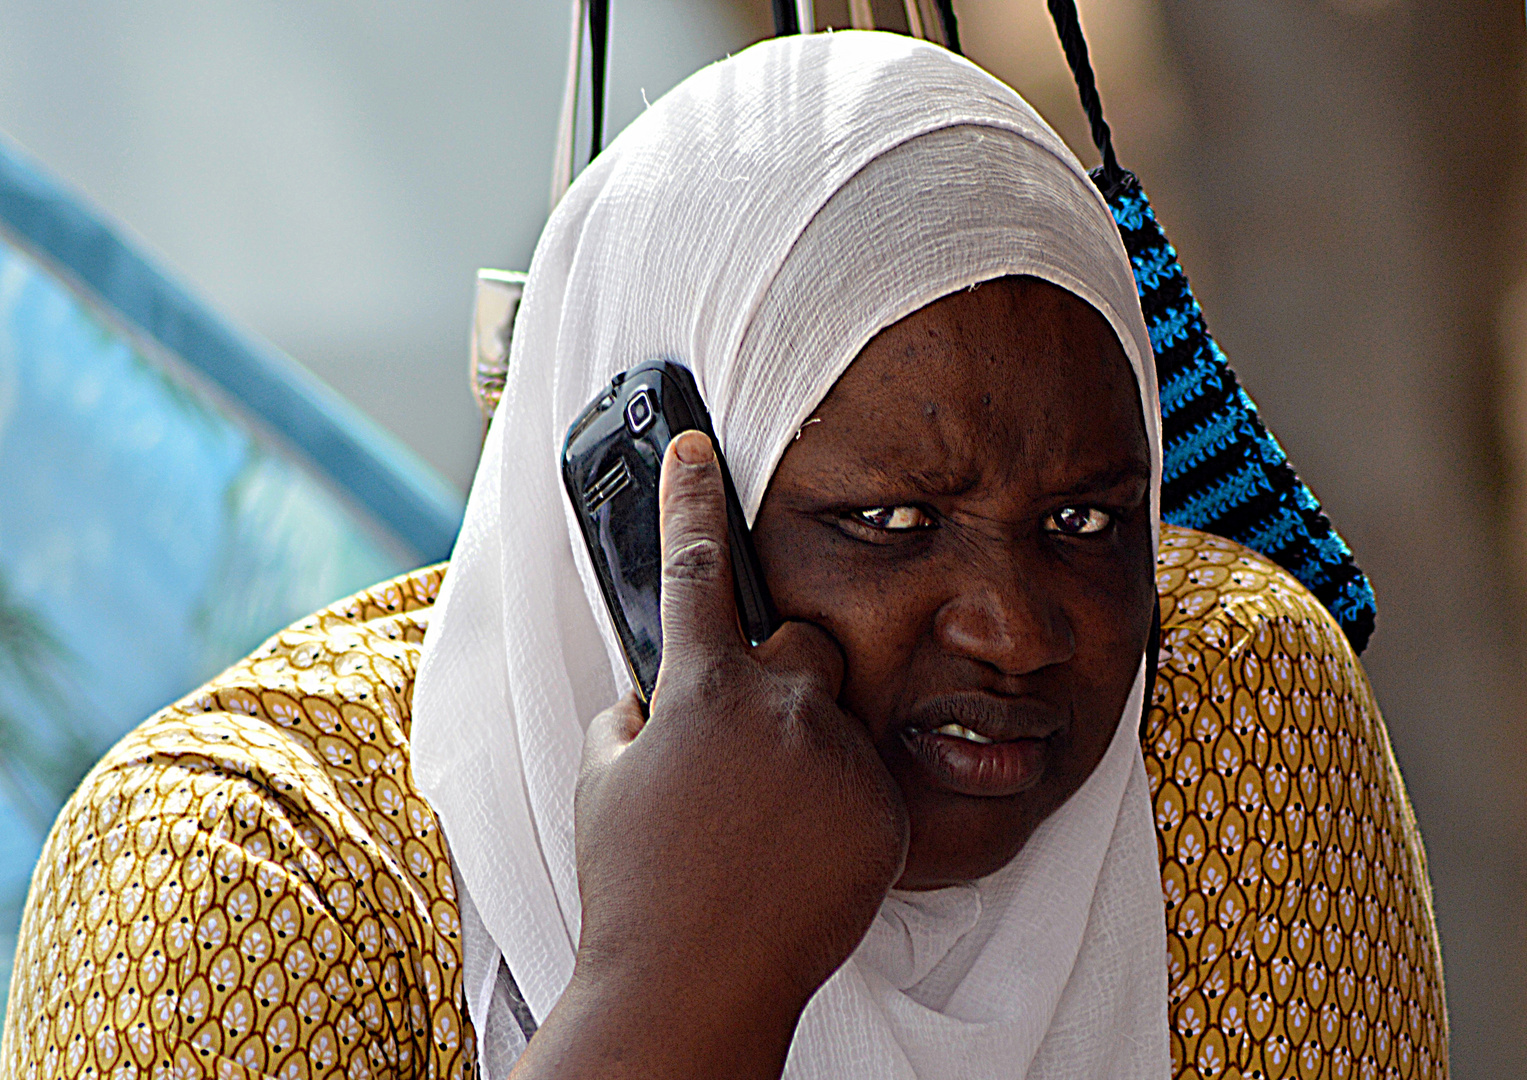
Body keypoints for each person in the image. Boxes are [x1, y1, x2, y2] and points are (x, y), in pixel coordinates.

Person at [1, 31, 1446, 1080]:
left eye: (1084, 522)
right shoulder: (240, 883)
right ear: (643, 545)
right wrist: (676, 981)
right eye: (889, 522)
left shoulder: (1221, 719)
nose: (1017, 629)